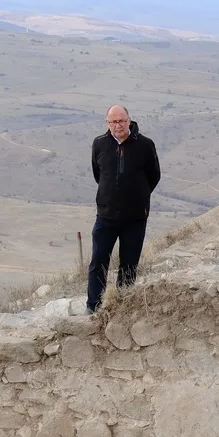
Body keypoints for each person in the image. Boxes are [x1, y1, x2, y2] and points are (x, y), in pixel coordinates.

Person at [86, 105, 161, 313]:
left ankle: (123, 307)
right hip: (106, 216)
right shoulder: (99, 144)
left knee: (128, 265)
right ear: (107, 123)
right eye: (113, 122)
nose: (117, 125)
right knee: (98, 262)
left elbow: (153, 176)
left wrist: (138, 197)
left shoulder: (145, 145)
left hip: (135, 218)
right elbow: (98, 174)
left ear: (129, 120)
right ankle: (94, 307)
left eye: (121, 121)